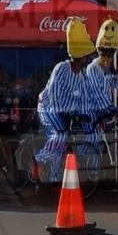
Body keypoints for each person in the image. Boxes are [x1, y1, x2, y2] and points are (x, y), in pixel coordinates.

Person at [34, 19, 96, 183]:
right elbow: (53, 96)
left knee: (65, 140)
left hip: (64, 113)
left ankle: (53, 177)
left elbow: (83, 100)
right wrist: (64, 113)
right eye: (85, 57)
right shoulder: (61, 68)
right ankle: (40, 159)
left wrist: (88, 115)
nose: (87, 59)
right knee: (60, 135)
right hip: (48, 109)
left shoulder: (82, 77)